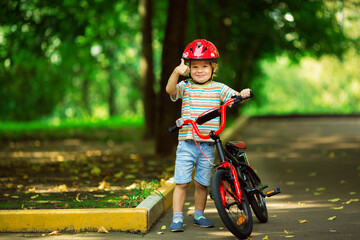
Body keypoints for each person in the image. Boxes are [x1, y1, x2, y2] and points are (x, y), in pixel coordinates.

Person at [166, 39, 252, 232]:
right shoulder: (186, 86)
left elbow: (234, 97)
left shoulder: (219, 88)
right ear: (188, 68)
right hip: (187, 144)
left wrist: (243, 94)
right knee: (181, 182)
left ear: (213, 67)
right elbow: (170, 90)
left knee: (202, 184)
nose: (199, 70)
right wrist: (175, 73)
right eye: (195, 66)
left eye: (205, 66)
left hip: (207, 145)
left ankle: (199, 215)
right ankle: (177, 218)